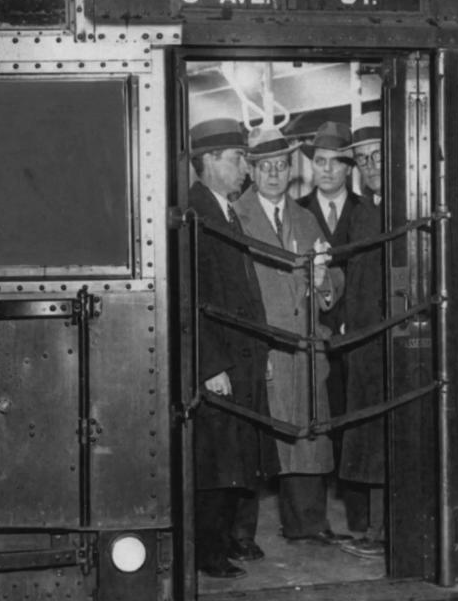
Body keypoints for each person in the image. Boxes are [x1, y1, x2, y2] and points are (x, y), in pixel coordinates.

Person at [233, 126, 349, 546]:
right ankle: (240, 535)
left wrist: (322, 281)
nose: (274, 175)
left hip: (303, 348)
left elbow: (335, 278)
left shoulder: (304, 216)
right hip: (262, 345)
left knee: (308, 437)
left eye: (281, 166)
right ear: (251, 170)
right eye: (265, 167)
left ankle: (308, 524)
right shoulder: (235, 216)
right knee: (252, 441)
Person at [189, 117, 276, 579]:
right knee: (217, 463)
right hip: (219, 362)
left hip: (239, 358)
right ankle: (207, 553)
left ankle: (218, 545)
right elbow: (192, 297)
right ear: (209, 161)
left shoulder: (223, 209)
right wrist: (210, 365)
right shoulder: (196, 212)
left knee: (232, 461)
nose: (245, 166)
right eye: (238, 157)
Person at [295, 120, 371, 536]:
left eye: (335, 163)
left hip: (354, 341)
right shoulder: (296, 212)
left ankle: (359, 519)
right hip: (309, 339)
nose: (326, 170)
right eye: (319, 162)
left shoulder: (367, 211)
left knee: (353, 425)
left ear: (348, 169)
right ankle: (312, 522)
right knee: (311, 428)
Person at [339, 108, 387, 559]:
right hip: (364, 339)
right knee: (372, 434)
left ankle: (388, 529)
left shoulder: (404, 209)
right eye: (364, 160)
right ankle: (375, 529)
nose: (371, 166)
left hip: (394, 340)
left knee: (391, 431)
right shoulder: (361, 213)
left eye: (377, 156)